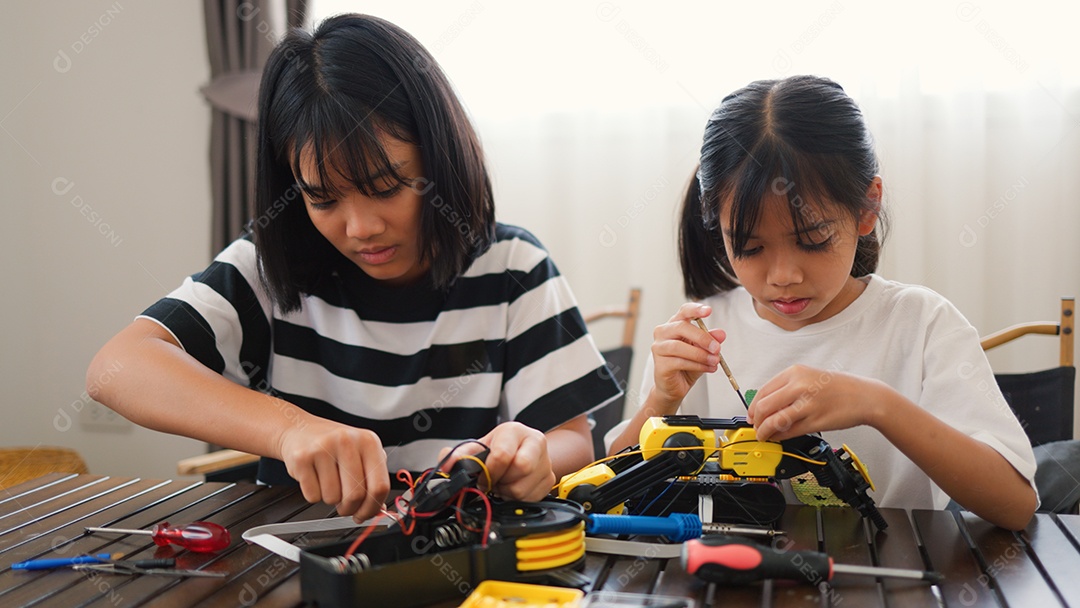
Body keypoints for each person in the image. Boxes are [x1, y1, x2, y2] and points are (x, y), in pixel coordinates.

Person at [87, 14, 621, 522]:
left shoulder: (512, 269)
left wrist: (530, 456)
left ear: (440, 159)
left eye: (386, 187)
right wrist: (287, 430)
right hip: (293, 559)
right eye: (322, 199)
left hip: (457, 553)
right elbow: (117, 369)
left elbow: (574, 439)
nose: (360, 227)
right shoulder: (271, 268)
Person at [607, 75, 1037, 530]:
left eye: (812, 239)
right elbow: (603, 492)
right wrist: (663, 399)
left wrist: (879, 405)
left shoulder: (920, 324)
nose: (783, 276)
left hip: (891, 578)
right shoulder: (709, 330)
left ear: (867, 209)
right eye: (749, 248)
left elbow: (1014, 504)